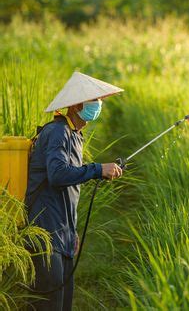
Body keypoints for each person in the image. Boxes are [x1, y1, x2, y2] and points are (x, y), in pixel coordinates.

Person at [25, 72, 124, 311]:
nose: (99, 105)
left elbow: (67, 190)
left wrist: (72, 231)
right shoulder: (58, 131)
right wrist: (97, 169)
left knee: (63, 303)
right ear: (78, 104)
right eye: (95, 100)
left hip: (63, 234)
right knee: (51, 305)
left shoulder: (75, 135)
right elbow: (58, 175)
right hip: (45, 232)